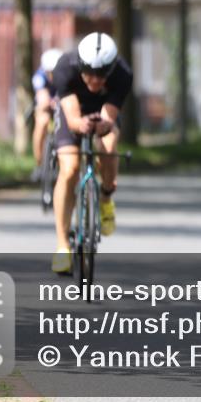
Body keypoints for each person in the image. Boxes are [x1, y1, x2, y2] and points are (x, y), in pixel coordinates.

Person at [49, 32, 133, 274]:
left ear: (110, 70)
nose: (95, 81)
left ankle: (106, 198)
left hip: (101, 112)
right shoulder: (65, 67)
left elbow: (109, 117)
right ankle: (62, 246)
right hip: (72, 112)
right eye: (89, 74)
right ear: (80, 66)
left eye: (101, 76)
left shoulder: (122, 73)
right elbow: (72, 117)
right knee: (70, 168)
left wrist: (103, 126)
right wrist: (79, 124)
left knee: (108, 145)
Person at [31, 48, 64, 180]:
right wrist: (49, 102)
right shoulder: (39, 77)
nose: (52, 75)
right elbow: (42, 97)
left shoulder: (66, 75)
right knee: (42, 122)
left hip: (62, 106)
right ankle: (39, 164)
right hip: (47, 106)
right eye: (49, 72)